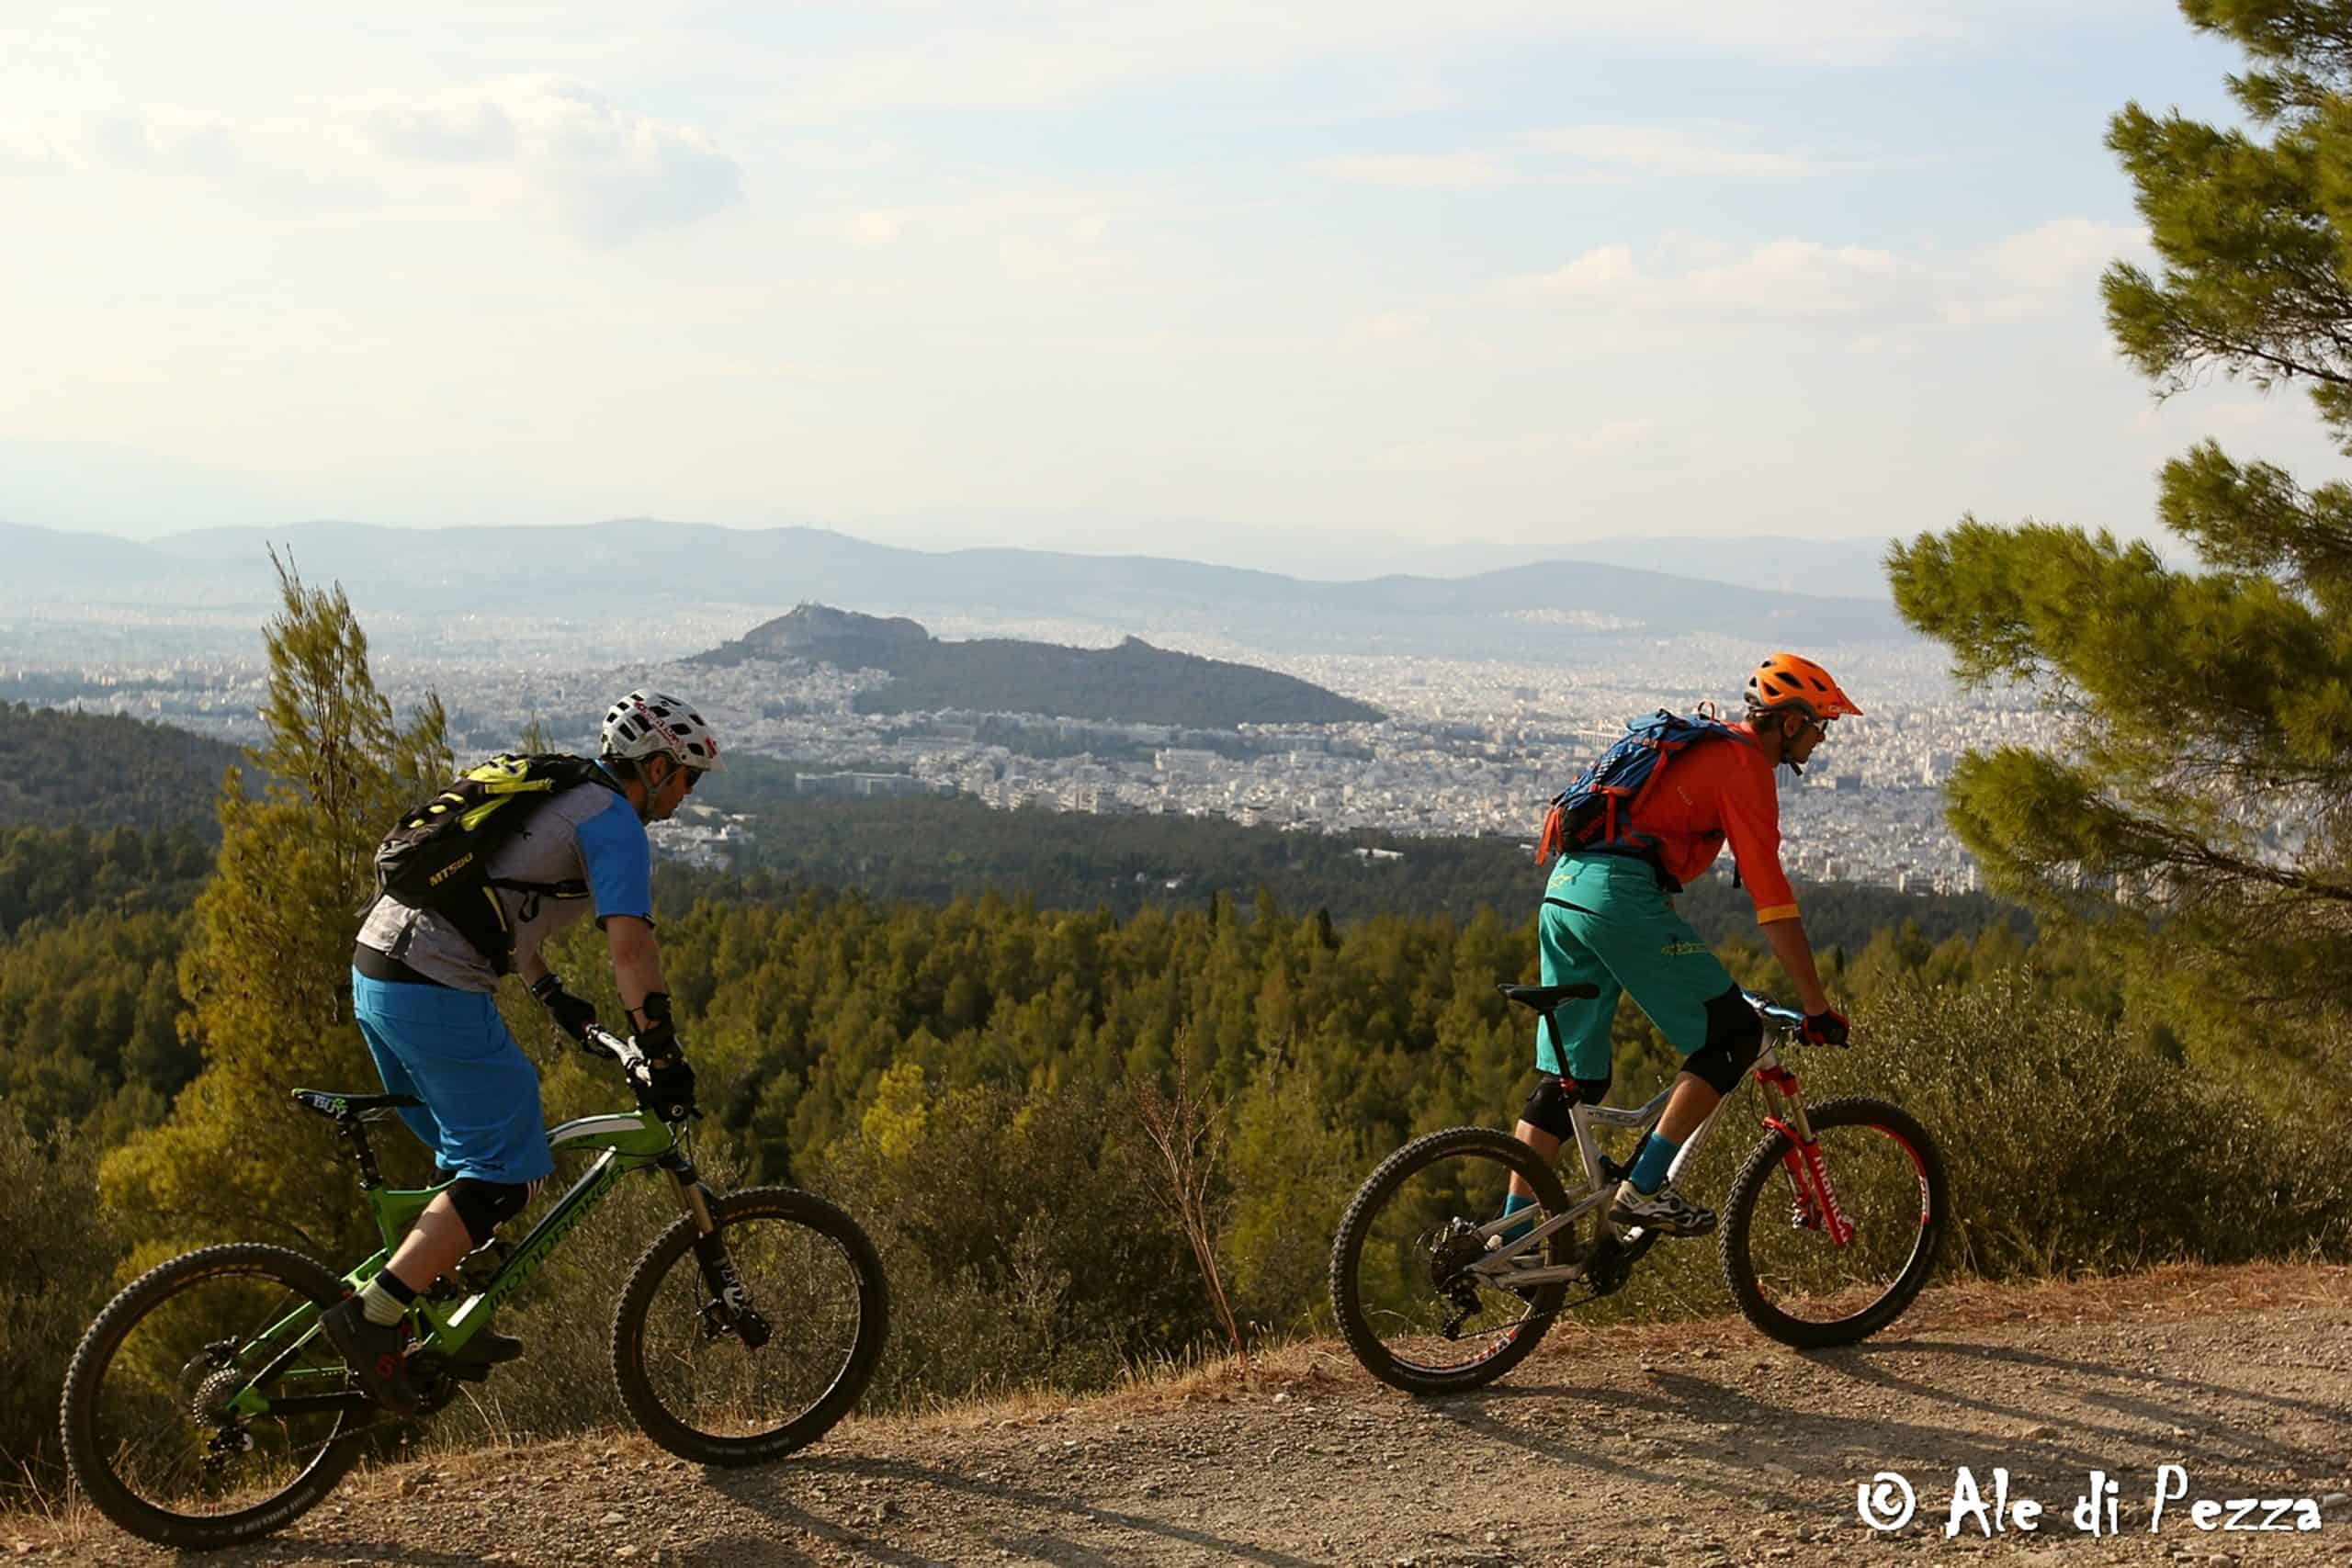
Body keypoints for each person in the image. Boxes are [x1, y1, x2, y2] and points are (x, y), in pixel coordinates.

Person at [322, 689, 721, 1412]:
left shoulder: (563, 791)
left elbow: (504, 901)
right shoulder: (617, 822)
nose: (685, 796)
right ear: (658, 766)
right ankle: (374, 1317)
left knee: (466, 1170)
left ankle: (431, 1314)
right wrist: (661, 1048)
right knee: (506, 1172)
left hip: (378, 965)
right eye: (687, 778)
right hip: (431, 981)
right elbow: (631, 948)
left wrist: (552, 995)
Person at [1502, 653, 1859, 1240]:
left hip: (1564, 891)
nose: (1823, 737)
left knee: (1575, 1084)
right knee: (1735, 1035)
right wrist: (1815, 1007)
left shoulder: (1706, 741)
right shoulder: (1744, 766)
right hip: (1618, 899)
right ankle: (1643, 1190)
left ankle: (1511, 1237)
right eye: (1821, 723)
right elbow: (1773, 904)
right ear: (1790, 723)